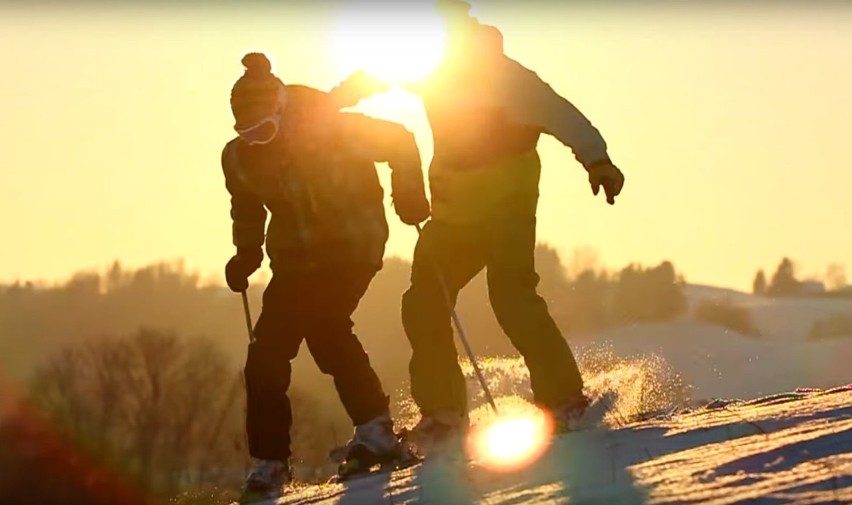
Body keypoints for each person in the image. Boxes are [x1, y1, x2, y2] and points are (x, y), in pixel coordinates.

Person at [330, 0, 625, 446]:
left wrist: (597, 160)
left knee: (511, 296)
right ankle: (444, 415)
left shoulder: (507, 78)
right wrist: (334, 100)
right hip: (454, 214)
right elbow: (382, 75)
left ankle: (565, 400)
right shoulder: (433, 70)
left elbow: (563, 115)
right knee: (423, 302)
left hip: (507, 204)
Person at [222, 52, 430, 501]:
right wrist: (245, 255)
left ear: (280, 108)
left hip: (351, 244)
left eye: (266, 128)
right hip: (295, 260)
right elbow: (246, 208)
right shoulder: (239, 158)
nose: (258, 140)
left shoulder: (327, 127)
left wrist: (409, 194)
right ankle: (270, 461)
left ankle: (375, 428)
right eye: (248, 132)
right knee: (265, 357)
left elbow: (398, 140)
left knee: (325, 326)